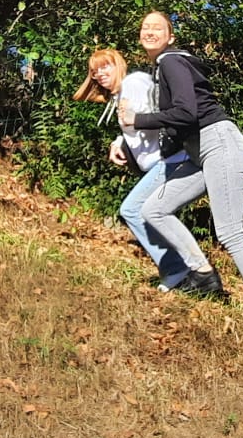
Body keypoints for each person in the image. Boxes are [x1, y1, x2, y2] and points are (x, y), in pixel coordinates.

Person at [123, 12, 243, 309]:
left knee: (230, 232)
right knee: (153, 209)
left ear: (170, 37)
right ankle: (201, 271)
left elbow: (186, 113)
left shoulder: (171, 61)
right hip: (200, 151)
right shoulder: (163, 66)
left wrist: (137, 120)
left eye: (157, 28)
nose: (149, 31)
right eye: (145, 27)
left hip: (219, 144)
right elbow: (178, 122)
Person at [73, 49, 190, 291]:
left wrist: (133, 116)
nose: (99, 74)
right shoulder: (120, 94)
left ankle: (177, 268)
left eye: (105, 67)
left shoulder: (134, 82)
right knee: (151, 213)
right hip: (160, 163)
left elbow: (156, 112)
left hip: (169, 160)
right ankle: (188, 268)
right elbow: (132, 126)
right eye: (95, 71)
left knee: (132, 209)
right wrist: (118, 142)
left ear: (118, 65)